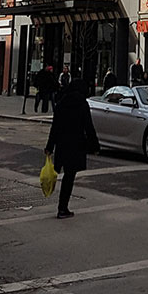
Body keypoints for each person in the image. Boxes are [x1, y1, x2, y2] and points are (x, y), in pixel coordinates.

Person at [45, 73, 100, 219]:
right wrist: (95, 146)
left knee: (56, 172)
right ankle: (62, 207)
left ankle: (58, 203)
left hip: (62, 144)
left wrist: (49, 146)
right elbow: (89, 127)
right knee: (69, 178)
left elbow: (55, 127)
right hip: (76, 144)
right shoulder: (82, 104)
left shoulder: (61, 103)